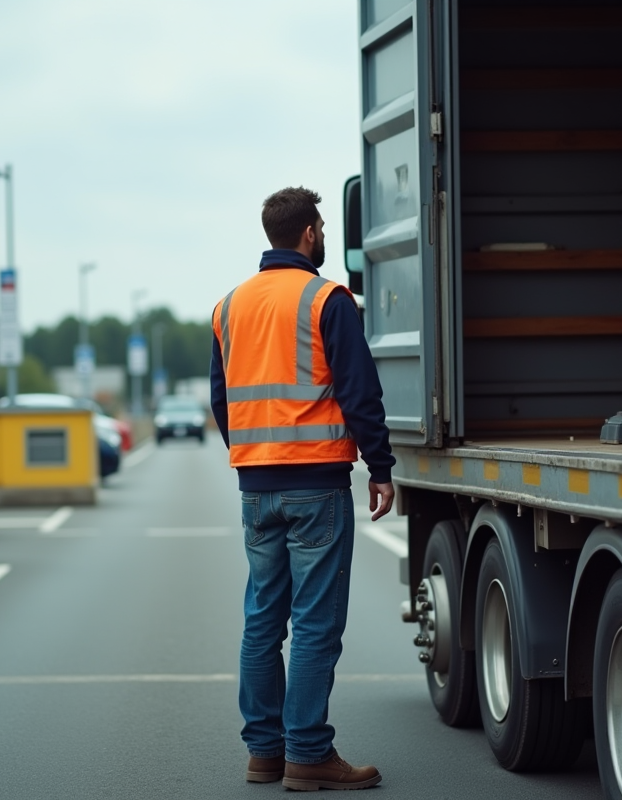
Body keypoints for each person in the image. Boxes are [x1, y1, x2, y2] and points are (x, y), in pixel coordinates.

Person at [210, 186, 395, 791]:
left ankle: (265, 752)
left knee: (263, 619)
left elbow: (221, 399)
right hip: (316, 484)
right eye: (321, 229)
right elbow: (359, 390)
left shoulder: (229, 307)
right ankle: (308, 754)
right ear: (310, 232)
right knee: (315, 623)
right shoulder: (327, 299)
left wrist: (253, 455)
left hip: (256, 486)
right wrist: (381, 466)